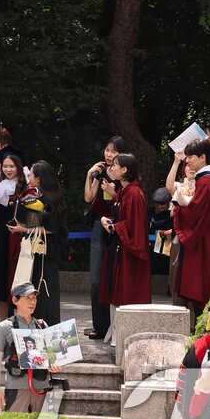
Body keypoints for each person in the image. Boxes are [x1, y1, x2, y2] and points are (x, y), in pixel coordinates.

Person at [173, 138, 210, 321]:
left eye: (190, 157)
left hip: (204, 245)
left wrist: (180, 207)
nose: (187, 161)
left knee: (204, 294)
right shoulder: (206, 182)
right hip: (205, 242)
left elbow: (195, 213)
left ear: (203, 157)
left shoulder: (208, 184)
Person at [0, 283, 64, 413]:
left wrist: (55, 365)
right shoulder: (4, 327)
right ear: (15, 300)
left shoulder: (42, 326)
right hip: (17, 388)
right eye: (27, 298)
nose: (32, 302)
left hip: (42, 387)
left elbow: (51, 358)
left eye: (34, 298)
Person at [9, 161, 66, 325]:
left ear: (39, 179)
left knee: (45, 290)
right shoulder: (37, 197)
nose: (29, 177)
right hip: (37, 250)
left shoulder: (49, 200)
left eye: (32, 175)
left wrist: (23, 229)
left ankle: (48, 326)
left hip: (47, 251)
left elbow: (52, 228)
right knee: (36, 289)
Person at [100, 153, 152, 327]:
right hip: (119, 247)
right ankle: (115, 331)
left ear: (125, 170)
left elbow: (134, 225)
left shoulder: (134, 194)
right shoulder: (124, 191)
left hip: (128, 250)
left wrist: (115, 227)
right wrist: (109, 221)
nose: (111, 168)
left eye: (115, 165)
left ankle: (124, 331)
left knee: (126, 290)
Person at [85, 137, 129, 339]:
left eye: (114, 152)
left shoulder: (125, 172)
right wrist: (90, 174)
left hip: (116, 225)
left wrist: (113, 192)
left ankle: (115, 325)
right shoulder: (101, 171)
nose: (109, 155)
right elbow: (88, 197)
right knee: (96, 278)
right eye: (107, 150)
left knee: (113, 276)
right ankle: (100, 325)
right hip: (98, 226)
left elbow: (128, 198)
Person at [0, 151, 27, 323]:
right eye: (5, 166)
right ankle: (2, 324)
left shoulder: (25, 188)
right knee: (0, 281)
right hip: (1, 238)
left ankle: (21, 323)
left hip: (19, 239)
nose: (8, 170)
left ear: (18, 167)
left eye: (12, 166)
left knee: (17, 280)